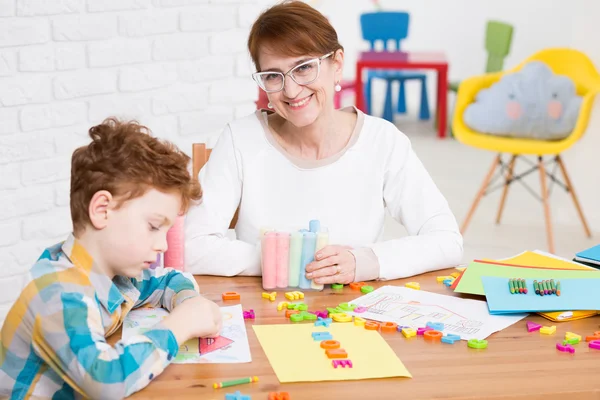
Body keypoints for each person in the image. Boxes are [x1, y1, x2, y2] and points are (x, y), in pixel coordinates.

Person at [184, 0, 463, 284]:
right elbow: (190, 246)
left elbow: (446, 239)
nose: (291, 90)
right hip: (265, 314)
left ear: (337, 64)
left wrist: (364, 261)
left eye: (304, 68)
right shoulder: (240, 139)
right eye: (272, 76)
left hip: (354, 316)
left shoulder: (382, 141)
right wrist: (282, 259)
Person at [0, 118, 222, 399]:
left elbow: (167, 280)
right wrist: (180, 324)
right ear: (102, 210)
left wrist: (188, 301)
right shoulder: (56, 291)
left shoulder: (111, 277)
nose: (163, 244)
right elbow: (106, 382)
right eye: (154, 226)